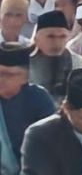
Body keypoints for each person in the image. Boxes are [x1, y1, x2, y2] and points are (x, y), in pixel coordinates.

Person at [0, 42, 55, 174]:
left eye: (8, 75)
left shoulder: (38, 99)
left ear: (24, 78)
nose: (1, 79)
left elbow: (50, 145)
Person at [28, 10, 82, 106]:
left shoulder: (80, 63)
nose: (57, 43)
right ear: (36, 39)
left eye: (62, 37)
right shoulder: (24, 65)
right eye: (50, 37)